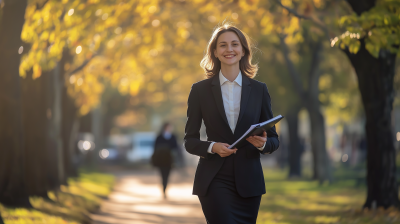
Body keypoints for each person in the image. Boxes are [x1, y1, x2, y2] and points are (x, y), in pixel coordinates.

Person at [184, 23, 280, 224]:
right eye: (223, 45)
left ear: (243, 50)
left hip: (249, 182)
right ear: (215, 52)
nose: (229, 49)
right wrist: (212, 147)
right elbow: (190, 141)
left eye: (235, 44)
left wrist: (262, 143)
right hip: (214, 178)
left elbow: (273, 140)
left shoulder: (259, 90)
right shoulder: (199, 91)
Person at [151, 122, 178, 199]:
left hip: (169, 160)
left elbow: (176, 148)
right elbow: (155, 148)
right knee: (163, 176)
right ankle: (164, 189)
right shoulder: (159, 137)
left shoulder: (173, 137)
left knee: (167, 176)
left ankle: (165, 189)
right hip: (161, 160)